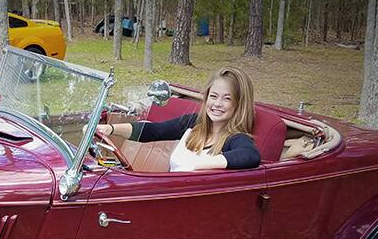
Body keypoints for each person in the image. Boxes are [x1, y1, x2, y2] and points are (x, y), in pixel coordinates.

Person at [96, 67, 261, 171]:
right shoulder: (194, 123)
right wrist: (110, 129)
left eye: (227, 99)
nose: (217, 104)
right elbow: (155, 131)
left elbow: (250, 155)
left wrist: (199, 166)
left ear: (239, 104)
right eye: (214, 96)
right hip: (169, 192)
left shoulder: (235, 139)